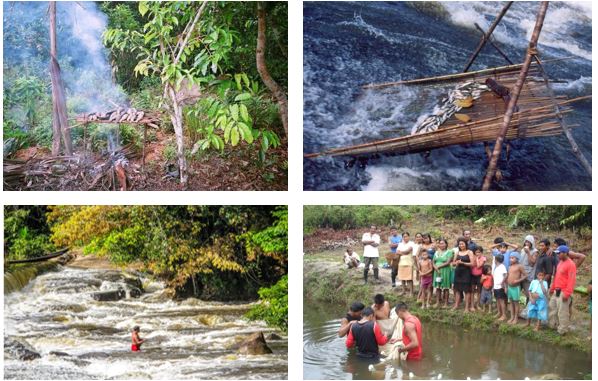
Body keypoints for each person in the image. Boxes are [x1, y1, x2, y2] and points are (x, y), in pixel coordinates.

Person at [549, 245, 577, 334]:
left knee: (563, 312)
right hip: (556, 290)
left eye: (559, 253)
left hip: (564, 291)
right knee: (552, 308)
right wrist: (552, 287)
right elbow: (557, 276)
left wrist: (567, 293)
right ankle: (553, 326)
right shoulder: (560, 262)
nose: (557, 255)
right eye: (557, 253)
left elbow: (571, 280)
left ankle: (562, 331)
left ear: (565, 253)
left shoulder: (571, 264)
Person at [452, 237, 474, 312]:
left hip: (466, 273)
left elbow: (472, 264)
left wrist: (463, 263)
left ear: (466, 244)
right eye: (460, 244)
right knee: (457, 289)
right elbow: (453, 263)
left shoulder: (469, 252)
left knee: (467, 290)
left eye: (462, 244)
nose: (461, 245)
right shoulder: (457, 252)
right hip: (458, 272)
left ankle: (467, 307)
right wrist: (456, 263)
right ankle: (456, 305)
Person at [506, 253, 527, 325]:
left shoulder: (519, 266)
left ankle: (516, 318)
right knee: (511, 302)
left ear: (517, 259)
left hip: (516, 287)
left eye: (513, 258)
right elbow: (508, 276)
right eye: (510, 258)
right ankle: (512, 317)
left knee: (516, 303)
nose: (511, 259)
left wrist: (518, 281)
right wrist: (506, 286)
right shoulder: (510, 267)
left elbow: (525, 275)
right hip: (510, 287)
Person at [432, 238, 453, 308]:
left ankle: (446, 303)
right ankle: (437, 302)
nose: (441, 245)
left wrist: (439, 266)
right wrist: (435, 267)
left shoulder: (449, 252)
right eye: (440, 243)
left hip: (445, 271)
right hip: (437, 272)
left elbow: (448, 262)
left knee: (446, 287)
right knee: (438, 287)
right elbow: (433, 262)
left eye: (443, 243)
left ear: (446, 244)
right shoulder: (436, 252)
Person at [520, 235, 537, 303]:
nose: (527, 243)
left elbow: (532, 263)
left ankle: (529, 310)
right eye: (526, 241)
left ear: (532, 243)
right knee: (517, 291)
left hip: (528, 275)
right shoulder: (522, 250)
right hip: (521, 274)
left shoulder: (535, 251)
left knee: (528, 293)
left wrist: (528, 253)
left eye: (529, 242)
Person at [492, 254, 508, 321]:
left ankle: (504, 315)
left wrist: (502, 283)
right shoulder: (496, 267)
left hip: (500, 287)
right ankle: (499, 312)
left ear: (496, 260)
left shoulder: (502, 267)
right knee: (497, 300)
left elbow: (506, 275)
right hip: (496, 286)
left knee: (501, 301)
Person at [471, 246, 486, 310]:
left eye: (479, 252)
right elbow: (472, 265)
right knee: (472, 290)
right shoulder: (473, 257)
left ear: (481, 252)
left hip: (480, 276)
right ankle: (472, 305)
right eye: (476, 252)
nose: (478, 254)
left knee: (479, 290)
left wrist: (477, 259)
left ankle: (477, 304)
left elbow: (479, 266)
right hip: (472, 275)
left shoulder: (483, 258)